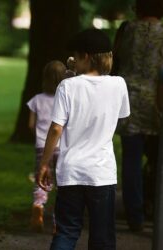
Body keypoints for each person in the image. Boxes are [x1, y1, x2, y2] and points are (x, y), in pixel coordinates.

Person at [37, 29, 130, 249]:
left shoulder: (67, 86)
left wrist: (44, 163)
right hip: (101, 172)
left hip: (71, 171)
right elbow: (121, 115)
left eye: (76, 56)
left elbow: (56, 129)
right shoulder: (118, 84)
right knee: (103, 237)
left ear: (85, 57)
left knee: (67, 231)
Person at [112, 0, 163, 231]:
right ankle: (156, 211)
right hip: (157, 102)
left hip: (128, 100)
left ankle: (135, 217)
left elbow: (115, 60)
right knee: (157, 160)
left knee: (131, 161)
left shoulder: (127, 30)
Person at [27, 61, 67, 232]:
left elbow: (30, 124)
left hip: (41, 147)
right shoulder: (65, 100)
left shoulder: (36, 100)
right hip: (61, 147)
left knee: (42, 180)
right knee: (62, 184)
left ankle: (38, 204)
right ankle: (59, 221)